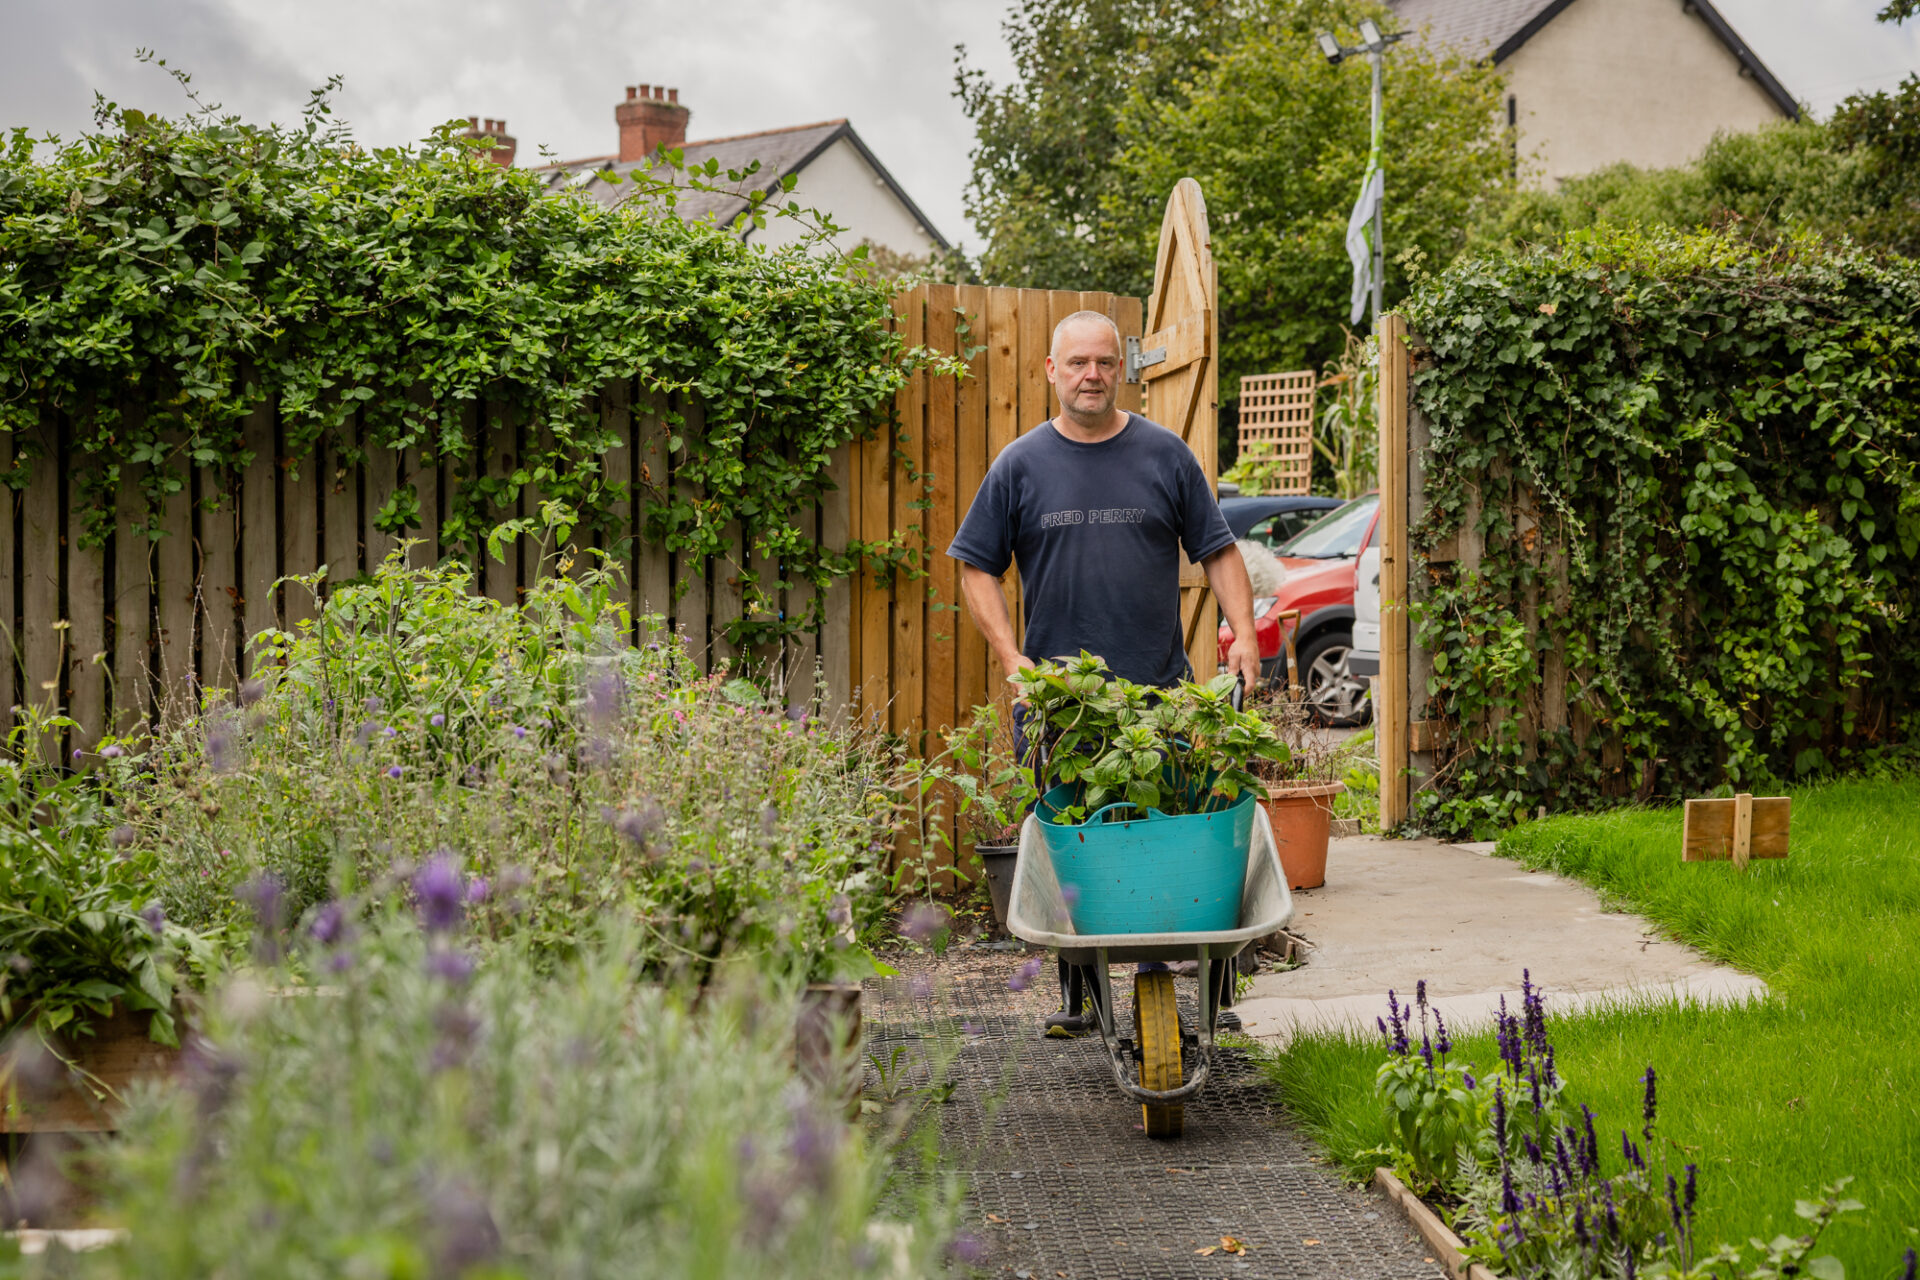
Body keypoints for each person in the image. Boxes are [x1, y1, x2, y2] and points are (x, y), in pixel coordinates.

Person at [947, 309, 1262, 1037]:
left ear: (1119, 370)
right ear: (1051, 372)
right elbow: (974, 567)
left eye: (1103, 362)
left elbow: (1218, 551)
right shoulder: (1020, 465)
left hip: (1163, 697)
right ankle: (1077, 997)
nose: (1091, 375)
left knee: (1195, 834)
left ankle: (1215, 992)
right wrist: (1010, 657)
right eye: (1077, 363)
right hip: (1065, 706)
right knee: (1072, 836)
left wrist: (1243, 632)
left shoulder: (1166, 455)